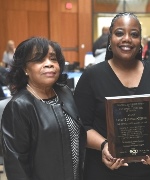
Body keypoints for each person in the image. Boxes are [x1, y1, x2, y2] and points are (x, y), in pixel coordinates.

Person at [74, 12, 150, 180]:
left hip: (149, 172)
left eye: (134, 34)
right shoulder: (91, 76)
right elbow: (81, 126)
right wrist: (105, 145)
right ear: (110, 38)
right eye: (119, 33)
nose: (127, 39)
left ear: (140, 40)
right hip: (102, 172)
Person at [1, 37, 86, 180]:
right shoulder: (19, 106)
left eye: (53, 59)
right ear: (25, 69)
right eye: (39, 60)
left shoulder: (64, 92)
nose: (49, 64)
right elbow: (16, 167)